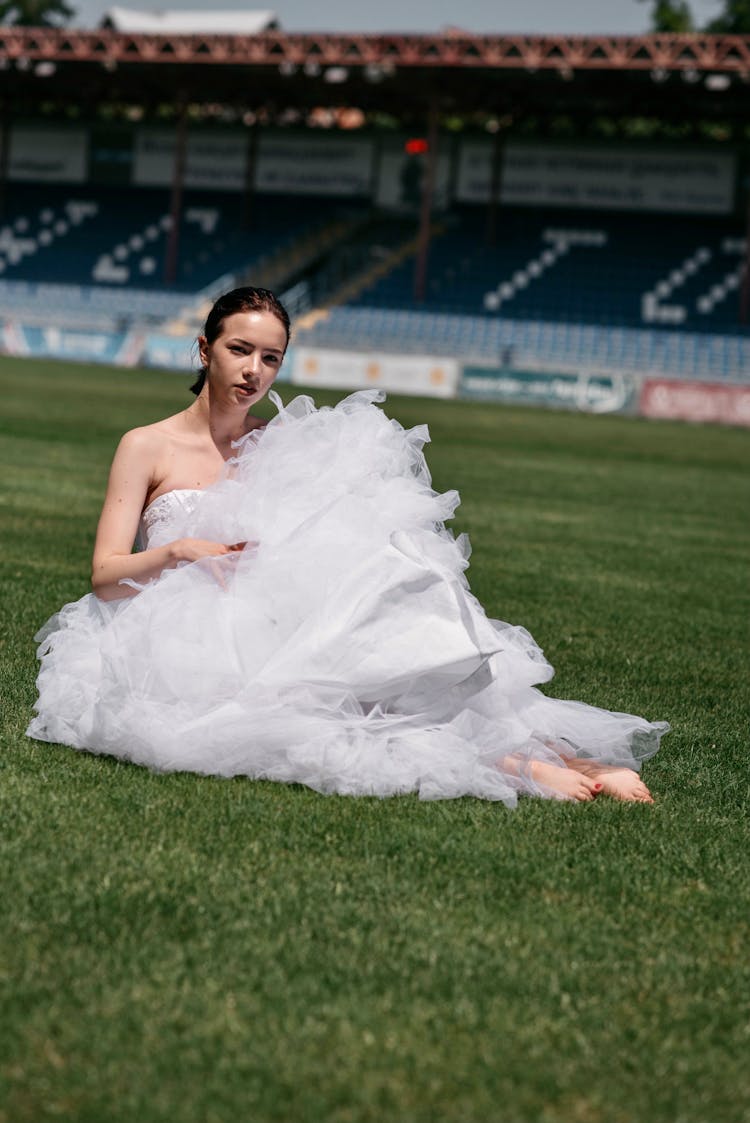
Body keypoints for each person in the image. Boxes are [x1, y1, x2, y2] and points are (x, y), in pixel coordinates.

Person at [27, 286, 668, 806]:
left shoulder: (274, 443)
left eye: (271, 358)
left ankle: (547, 755)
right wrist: (178, 551)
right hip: (178, 633)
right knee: (315, 710)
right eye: (239, 350)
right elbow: (106, 575)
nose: (253, 371)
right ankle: (513, 765)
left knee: (386, 612)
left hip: (268, 609)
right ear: (204, 349)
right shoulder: (147, 445)